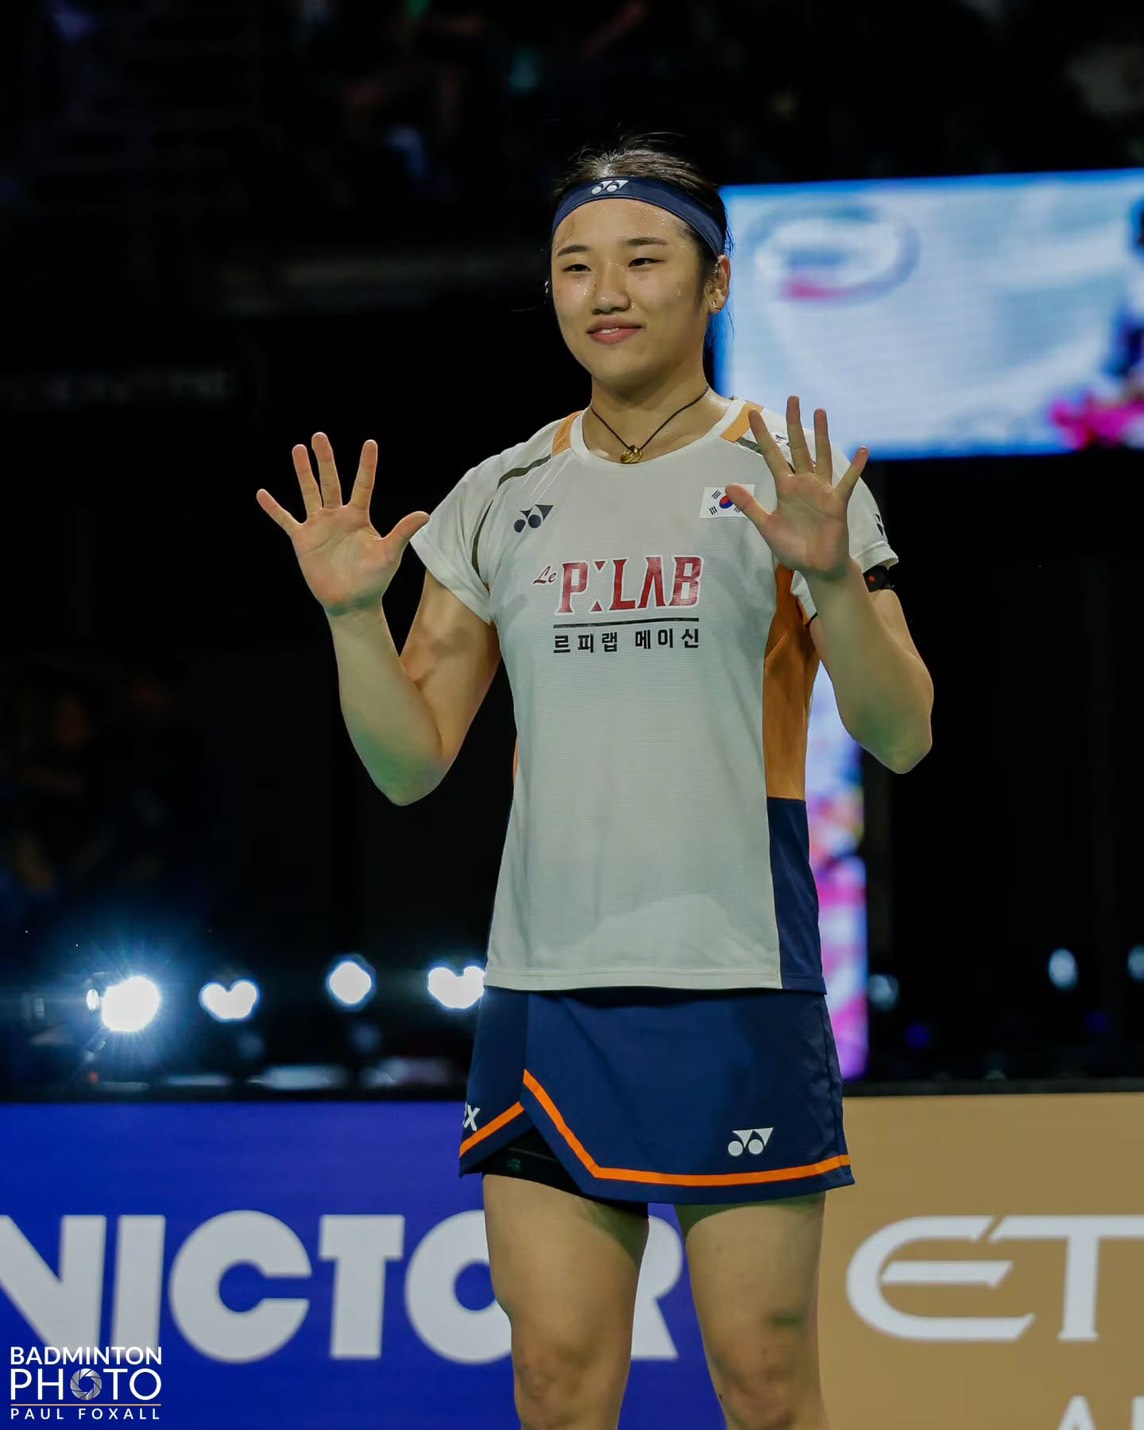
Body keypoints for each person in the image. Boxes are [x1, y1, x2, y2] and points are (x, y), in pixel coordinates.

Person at [258, 136, 934, 1430]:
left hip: (737, 987)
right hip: (546, 994)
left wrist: (833, 578)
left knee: (765, 1384)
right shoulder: (499, 493)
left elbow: (901, 733)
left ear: (716, 283)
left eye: (643, 259)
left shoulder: (790, 481)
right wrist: (350, 618)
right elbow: (407, 763)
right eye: (576, 265)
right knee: (558, 1384)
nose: (606, 291)